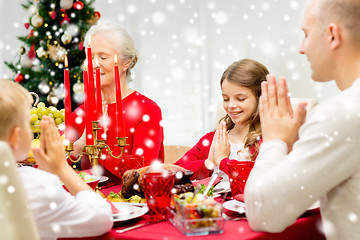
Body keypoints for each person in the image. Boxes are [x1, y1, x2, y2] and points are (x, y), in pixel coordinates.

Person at [244, 0, 360, 239]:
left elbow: (262, 213)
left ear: (332, 35)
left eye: (306, 35)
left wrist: (274, 140)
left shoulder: (342, 113)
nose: (301, 48)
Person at [0, 79, 113, 240]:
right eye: (27, 121)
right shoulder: (33, 184)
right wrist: (62, 168)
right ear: (15, 136)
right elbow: (101, 217)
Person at [72, 23, 164, 183]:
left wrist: (98, 146)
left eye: (103, 57)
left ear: (126, 63)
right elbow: (51, 166)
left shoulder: (147, 110)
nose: (94, 64)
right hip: (89, 202)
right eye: (90, 57)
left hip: (132, 205)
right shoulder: (81, 113)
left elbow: (139, 174)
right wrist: (81, 144)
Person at [175, 59, 267, 180]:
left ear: (260, 98)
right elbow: (174, 172)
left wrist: (223, 161)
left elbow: (259, 183)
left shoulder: (269, 142)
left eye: (240, 99)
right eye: (226, 99)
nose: (231, 106)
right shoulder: (213, 140)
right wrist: (208, 163)